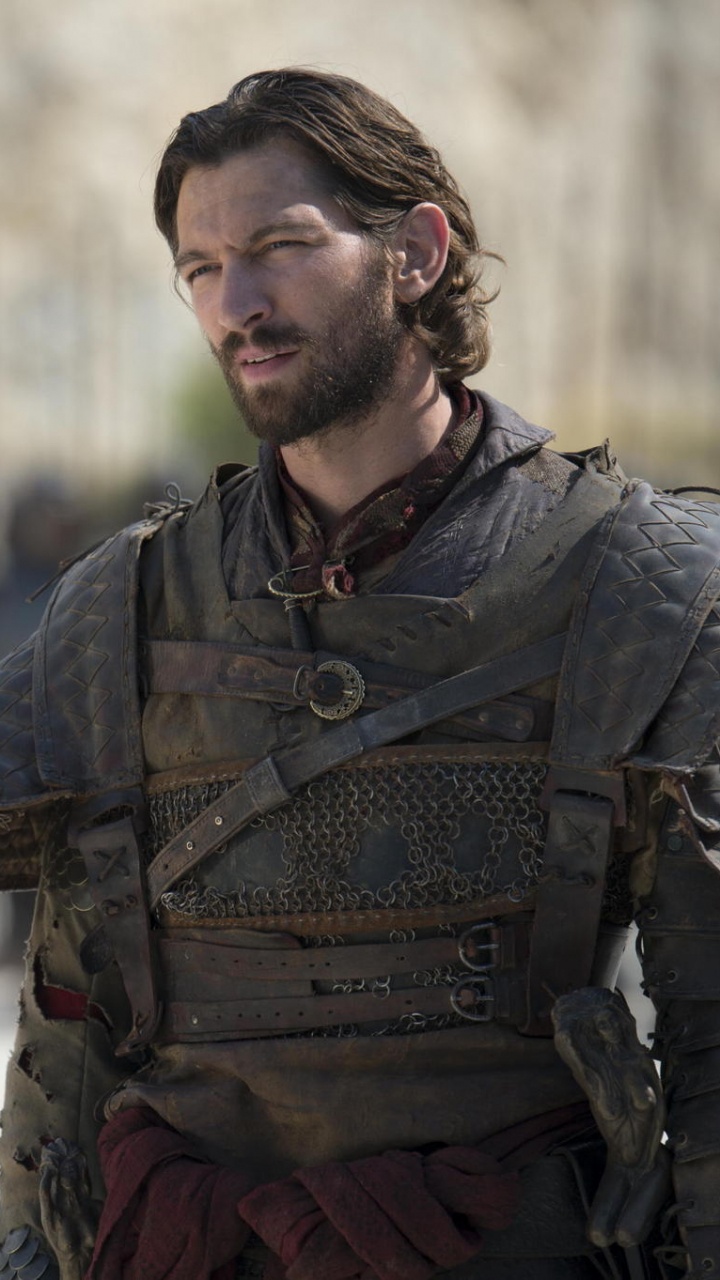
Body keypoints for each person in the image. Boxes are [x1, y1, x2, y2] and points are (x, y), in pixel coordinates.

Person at [0, 67, 718, 1280]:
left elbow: (709, 1022)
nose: (238, 301)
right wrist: (26, 1239)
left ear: (417, 253)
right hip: (182, 1247)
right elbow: (74, 1008)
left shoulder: (633, 583)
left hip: (503, 1239)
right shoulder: (118, 607)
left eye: (281, 246)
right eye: (200, 267)